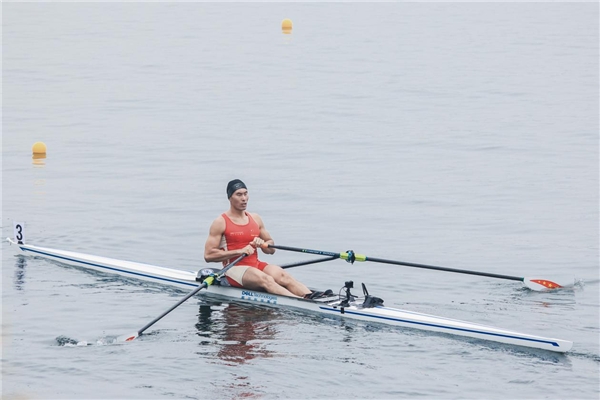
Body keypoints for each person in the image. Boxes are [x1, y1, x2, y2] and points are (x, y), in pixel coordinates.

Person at [204, 179, 328, 299]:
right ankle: (299, 302)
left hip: (255, 265)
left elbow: (271, 248)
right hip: (233, 269)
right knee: (267, 279)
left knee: (283, 275)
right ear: (230, 198)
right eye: (239, 195)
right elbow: (208, 255)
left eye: (246, 194)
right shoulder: (220, 222)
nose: (244, 198)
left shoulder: (255, 218)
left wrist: (264, 244)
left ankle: (309, 296)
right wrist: (239, 251)